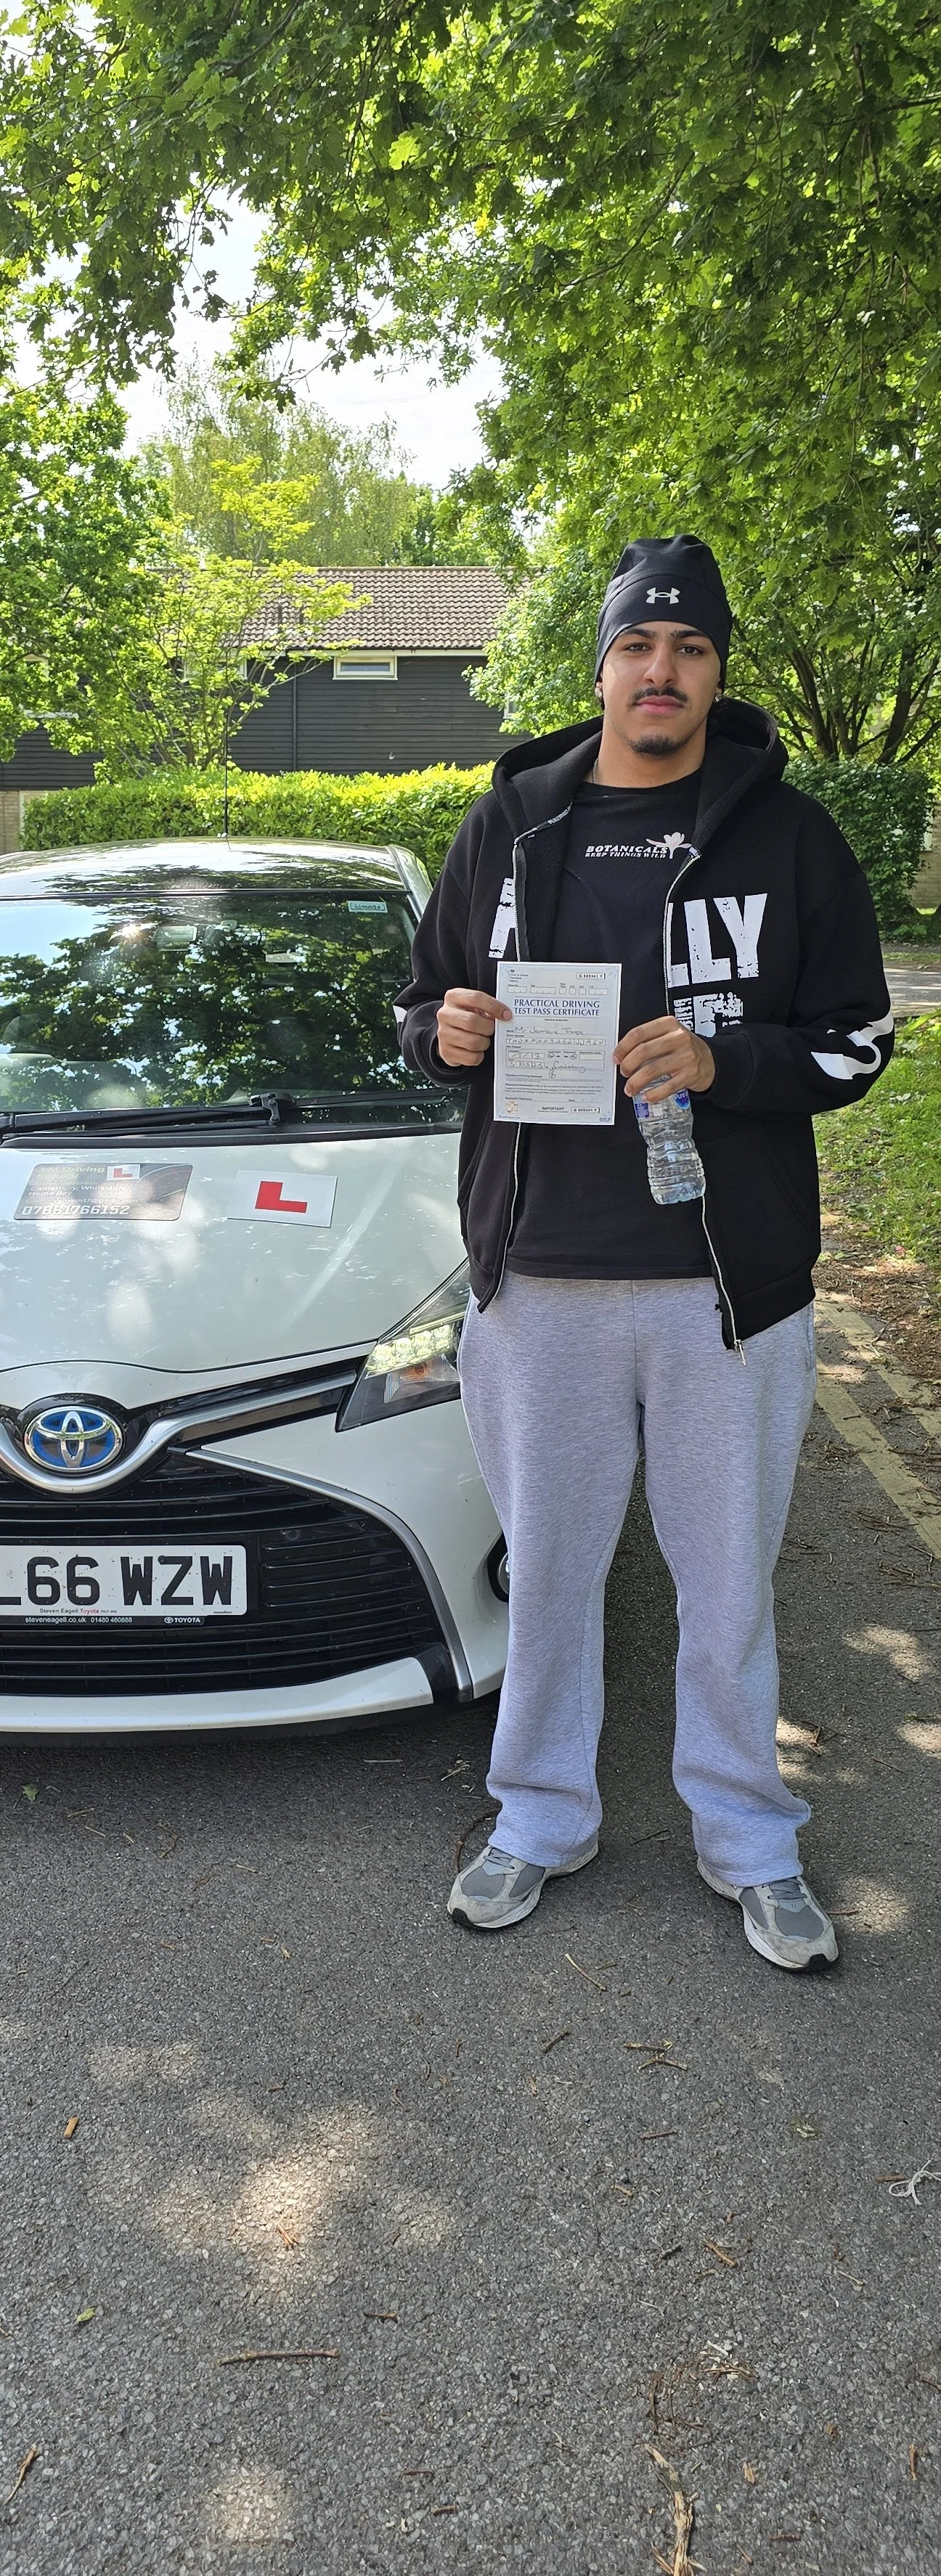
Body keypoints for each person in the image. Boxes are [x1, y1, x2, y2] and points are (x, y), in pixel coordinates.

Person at [396, 535, 894, 1971]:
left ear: (714, 672)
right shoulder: (510, 828)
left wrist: (728, 1059)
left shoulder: (790, 836)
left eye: (687, 649)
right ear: (601, 667)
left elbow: (857, 1036)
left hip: (722, 1292)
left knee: (726, 1582)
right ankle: (539, 1816)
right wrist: (446, 1031)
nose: (659, 670)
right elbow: (416, 1008)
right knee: (549, 1571)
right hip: (542, 1275)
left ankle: (750, 1837)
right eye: (636, 646)